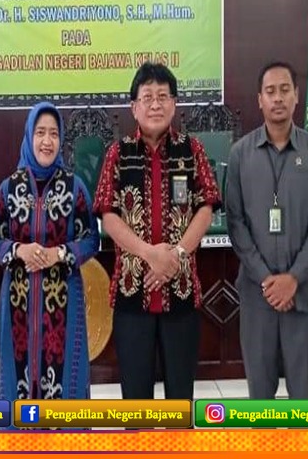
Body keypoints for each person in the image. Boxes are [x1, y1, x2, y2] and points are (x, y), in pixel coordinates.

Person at [93, 61, 221, 400]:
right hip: (131, 296)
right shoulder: (117, 154)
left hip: (181, 293)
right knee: (136, 400)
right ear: (133, 107)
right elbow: (108, 215)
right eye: (147, 97)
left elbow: (206, 207)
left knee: (180, 397)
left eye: (162, 96)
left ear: (174, 104)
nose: (155, 105)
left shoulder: (192, 150)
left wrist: (175, 255)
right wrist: (150, 254)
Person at [225, 61, 308, 400]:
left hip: (303, 295)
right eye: (270, 91)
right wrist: (267, 280)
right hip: (257, 296)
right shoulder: (240, 154)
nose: (278, 98)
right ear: (259, 99)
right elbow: (236, 223)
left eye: (285, 90)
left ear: (297, 95)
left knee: (303, 398)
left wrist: (293, 278)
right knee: (260, 399)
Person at [0, 102, 100, 400]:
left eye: (53, 133)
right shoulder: (9, 188)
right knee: (18, 388)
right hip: (18, 302)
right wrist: (18, 250)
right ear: (29, 136)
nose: (47, 141)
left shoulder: (74, 187)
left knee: (65, 386)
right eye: (40, 133)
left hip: (63, 301)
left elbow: (91, 239)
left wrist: (58, 254)